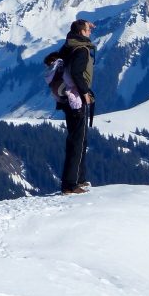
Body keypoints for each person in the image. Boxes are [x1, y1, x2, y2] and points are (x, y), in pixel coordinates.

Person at [57, 19, 96, 194]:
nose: (90, 33)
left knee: (76, 139)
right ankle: (71, 184)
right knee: (78, 141)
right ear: (81, 33)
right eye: (88, 30)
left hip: (67, 99)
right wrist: (85, 92)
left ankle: (78, 179)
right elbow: (76, 73)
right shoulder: (81, 50)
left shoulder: (69, 46)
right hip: (77, 99)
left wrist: (82, 24)